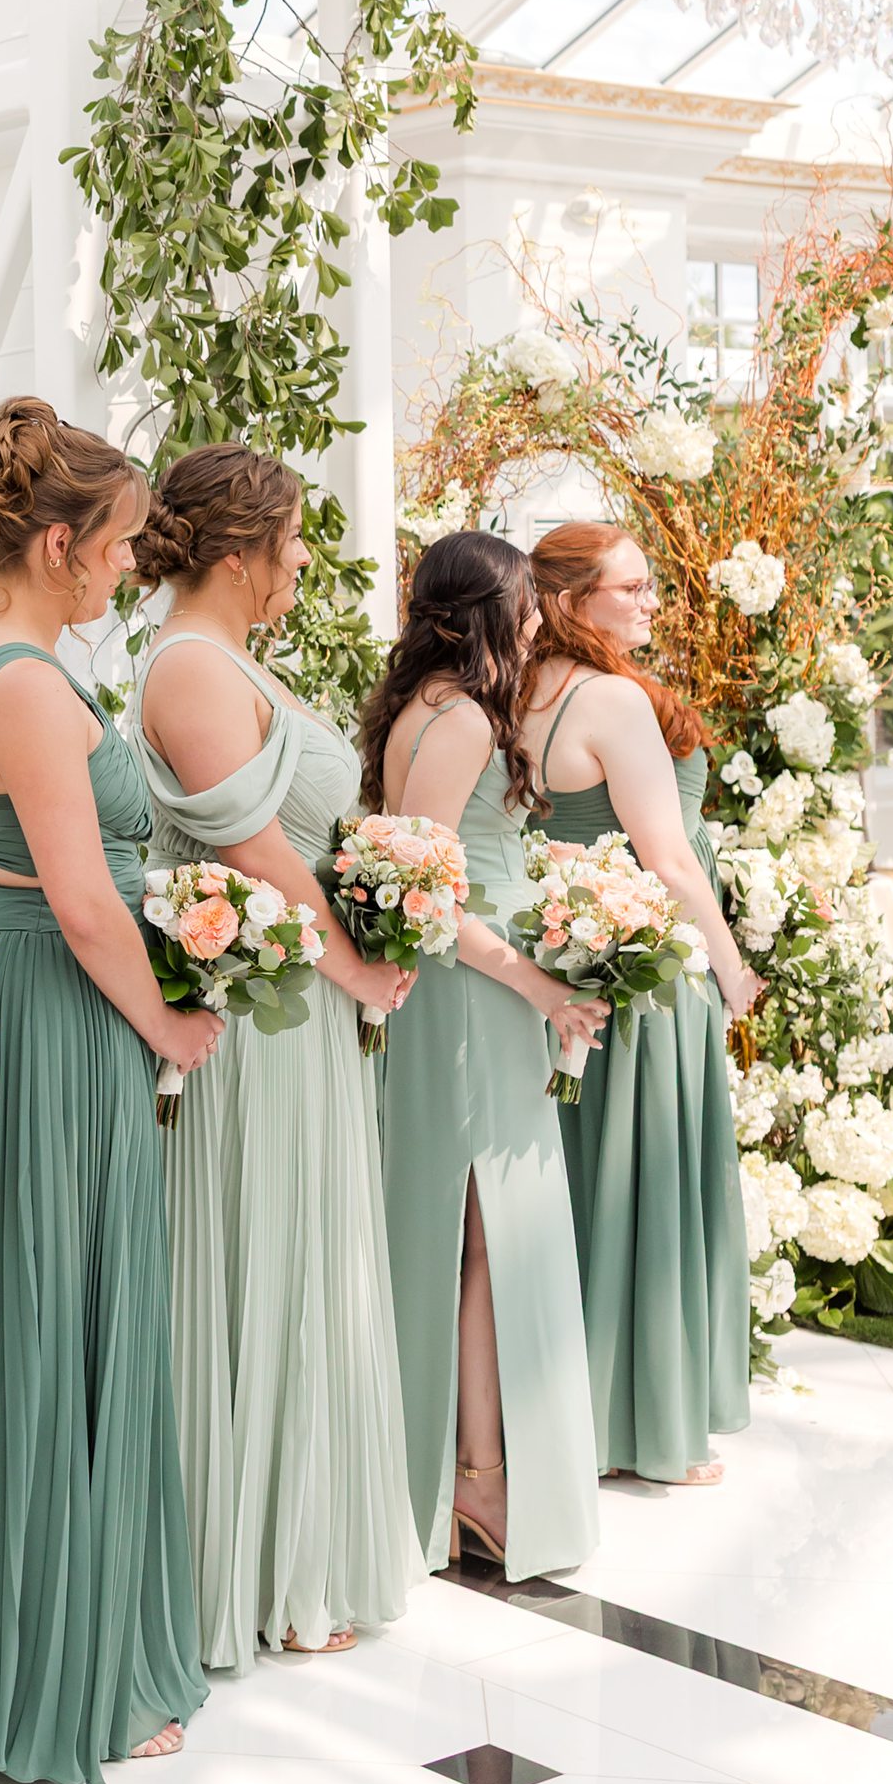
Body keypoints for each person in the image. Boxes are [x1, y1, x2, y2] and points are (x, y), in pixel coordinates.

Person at [0, 398, 217, 1784]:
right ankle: (68, 1677)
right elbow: (81, 902)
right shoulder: (21, 682)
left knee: (46, 1308)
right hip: (59, 1022)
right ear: (61, 542)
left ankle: (36, 1652)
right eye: (123, 546)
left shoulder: (17, 666)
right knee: (65, 1307)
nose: (132, 569)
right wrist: (171, 1025)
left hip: (42, 1014)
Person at [129, 447, 423, 1665]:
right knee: (262, 1260)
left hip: (292, 1020)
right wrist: (352, 963)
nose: (305, 562)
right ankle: (241, 1569)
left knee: (312, 1266)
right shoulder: (189, 669)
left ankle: (301, 1545)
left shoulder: (234, 662)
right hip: (252, 1024)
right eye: (295, 541)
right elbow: (252, 847)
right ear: (242, 553)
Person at [363, 533, 606, 1585]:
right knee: (485, 1234)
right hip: (473, 1000)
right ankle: (475, 1476)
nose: (542, 620)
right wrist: (538, 981)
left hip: (466, 999)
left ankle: (466, 1472)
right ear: (484, 613)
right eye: (528, 603)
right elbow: (428, 893)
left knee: (462, 1235)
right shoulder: (460, 717)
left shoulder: (417, 708)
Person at [518, 521, 759, 1486]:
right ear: (572, 604)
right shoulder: (613, 696)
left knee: (579, 1188)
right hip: (649, 971)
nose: (651, 601)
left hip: (560, 964)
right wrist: (731, 966)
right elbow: (667, 854)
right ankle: (648, 1422)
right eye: (631, 588)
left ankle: (571, 1414)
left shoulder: (507, 691)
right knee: (647, 1185)